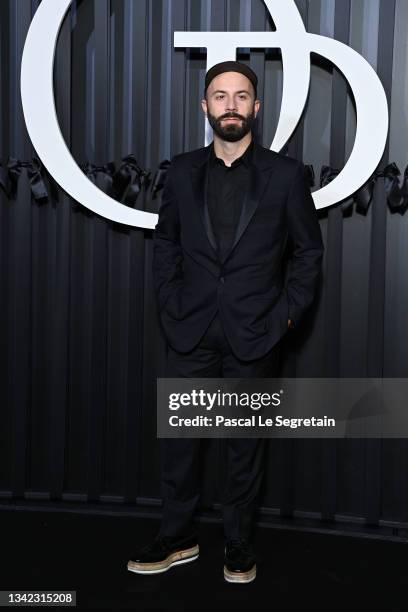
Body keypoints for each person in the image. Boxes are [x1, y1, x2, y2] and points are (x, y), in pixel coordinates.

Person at [127, 61, 324, 583]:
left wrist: (285, 316)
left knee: (244, 446)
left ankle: (238, 542)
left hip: (255, 334)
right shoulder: (183, 170)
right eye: (220, 96)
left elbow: (307, 253)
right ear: (205, 107)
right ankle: (178, 535)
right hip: (188, 329)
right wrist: (169, 304)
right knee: (180, 445)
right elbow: (166, 242)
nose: (230, 104)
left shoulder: (285, 176)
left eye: (241, 96)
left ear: (256, 108)